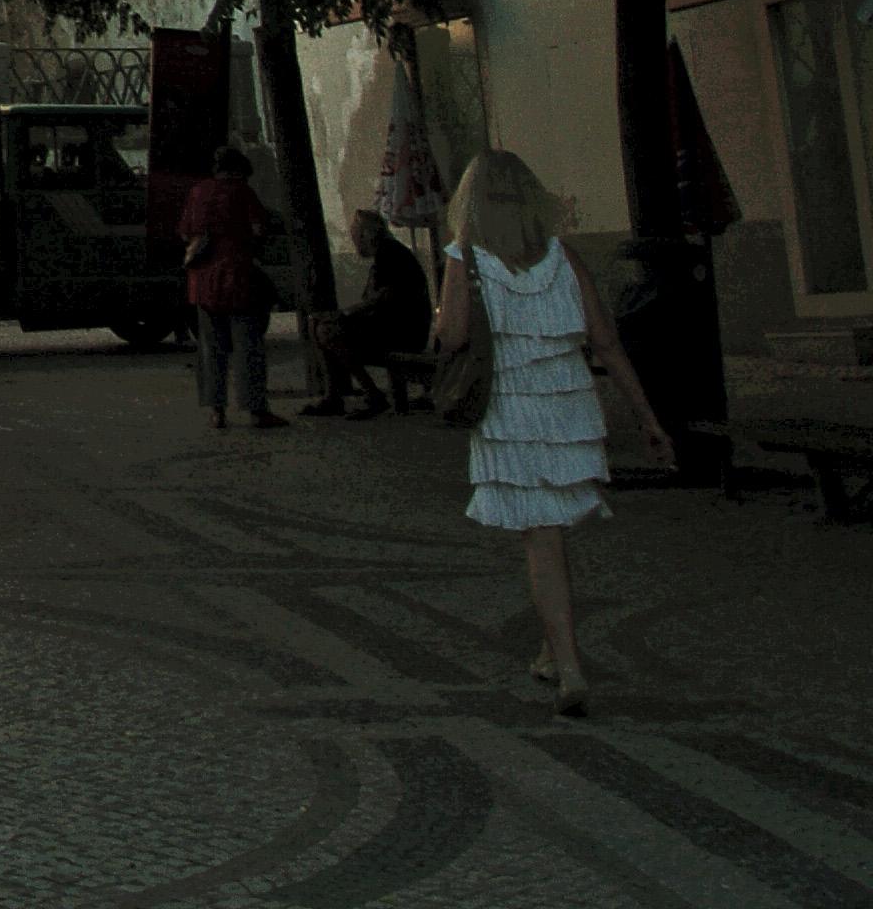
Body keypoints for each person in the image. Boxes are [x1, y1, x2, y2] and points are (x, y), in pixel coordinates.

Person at [432, 149, 672, 716]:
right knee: (554, 533)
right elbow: (607, 344)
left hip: (510, 411)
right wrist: (647, 421)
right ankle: (549, 651)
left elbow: (454, 338)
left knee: (541, 540)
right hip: (568, 409)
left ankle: (568, 669)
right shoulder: (565, 257)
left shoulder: (464, 258)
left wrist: (440, 319)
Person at [179, 142, 285, 432]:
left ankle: (217, 413)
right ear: (240, 171)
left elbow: (186, 232)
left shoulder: (198, 192)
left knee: (211, 349)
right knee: (247, 346)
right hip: (238, 279)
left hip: (202, 282)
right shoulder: (242, 192)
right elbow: (260, 228)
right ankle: (256, 410)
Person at [307, 209, 433, 417]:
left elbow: (381, 299)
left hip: (402, 333)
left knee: (328, 331)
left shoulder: (389, 252)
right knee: (316, 323)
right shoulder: (386, 253)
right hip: (394, 327)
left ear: (367, 235)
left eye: (355, 235)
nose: (354, 242)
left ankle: (372, 394)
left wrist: (344, 315)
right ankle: (334, 396)